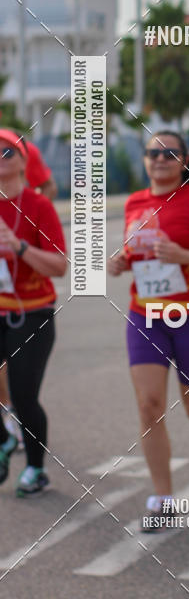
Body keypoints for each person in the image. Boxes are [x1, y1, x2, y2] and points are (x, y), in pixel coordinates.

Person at [107, 130, 189, 529]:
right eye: (152, 153)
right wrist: (122, 262)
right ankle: (163, 499)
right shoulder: (135, 202)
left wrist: (183, 256)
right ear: (144, 160)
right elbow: (138, 252)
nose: (159, 159)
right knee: (149, 407)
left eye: (169, 153)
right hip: (146, 316)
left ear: (183, 160)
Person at [0, 129, 67, 495]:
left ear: (25, 161)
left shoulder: (38, 206)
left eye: (7, 151)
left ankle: (36, 469)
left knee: (24, 395)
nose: (0, 157)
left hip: (33, 313)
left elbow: (59, 266)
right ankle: (5, 440)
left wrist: (19, 247)